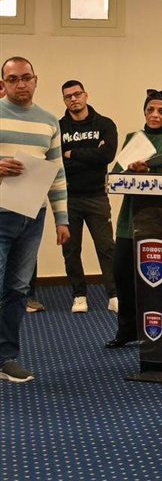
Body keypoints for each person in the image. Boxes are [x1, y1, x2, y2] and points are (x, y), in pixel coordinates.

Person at [0, 57, 70, 383]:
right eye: (13, 79)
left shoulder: (49, 121)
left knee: (17, 289)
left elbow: (57, 173)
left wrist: (62, 219)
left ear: (35, 79)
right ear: (3, 83)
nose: (21, 84)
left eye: (26, 77)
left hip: (32, 216)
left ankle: (6, 358)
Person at [106, 89, 162, 348]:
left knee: (156, 281)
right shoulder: (133, 138)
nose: (155, 114)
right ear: (144, 112)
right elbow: (117, 173)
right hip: (131, 218)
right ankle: (127, 329)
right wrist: (132, 170)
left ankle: (157, 334)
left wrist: (147, 167)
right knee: (121, 272)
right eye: (150, 109)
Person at [58, 79, 119, 314]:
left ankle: (114, 294)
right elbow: (59, 163)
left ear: (86, 95)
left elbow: (107, 155)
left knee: (106, 247)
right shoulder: (59, 127)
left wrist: (72, 153)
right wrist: (92, 155)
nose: (74, 99)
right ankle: (79, 295)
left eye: (77, 94)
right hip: (68, 198)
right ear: (64, 100)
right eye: (68, 96)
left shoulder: (105, 124)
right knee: (71, 249)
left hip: (97, 196)